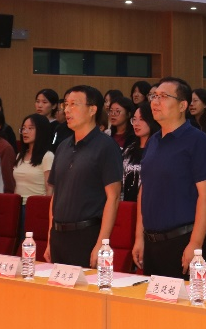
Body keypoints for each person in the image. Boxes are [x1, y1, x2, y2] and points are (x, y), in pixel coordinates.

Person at [134, 78, 206, 278]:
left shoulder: (198, 141)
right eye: (154, 96)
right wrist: (139, 237)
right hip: (151, 242)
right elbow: (144, 191)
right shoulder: (153, 141)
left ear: (182, 105)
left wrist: (195, 244)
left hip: (183, 241)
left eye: (163, 97)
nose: (155, 102)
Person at [45, 85, 122, 268]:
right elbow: (55, 195)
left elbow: (113, 197)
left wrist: (102, 243)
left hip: (87, 235)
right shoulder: (63, 146)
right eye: (66, 104)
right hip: (58, 235)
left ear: (92, 110)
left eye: (74, 104)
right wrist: (49, 238)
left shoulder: (106, 146)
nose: (67, 110)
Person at [13, 114, 54, 201]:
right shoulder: (20, 155)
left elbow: (49, 190)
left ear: (41, 131)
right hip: (17, 203)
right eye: (23, 128)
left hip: (36, 204)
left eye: (30, 128)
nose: (25, 132)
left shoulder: (47, 156)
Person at [121, 101, 155, 203]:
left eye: (141, 119)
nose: (136, 123)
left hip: (149, 205)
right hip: (127, 204)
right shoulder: (129, 149)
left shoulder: (158, 150)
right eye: (134, 119)